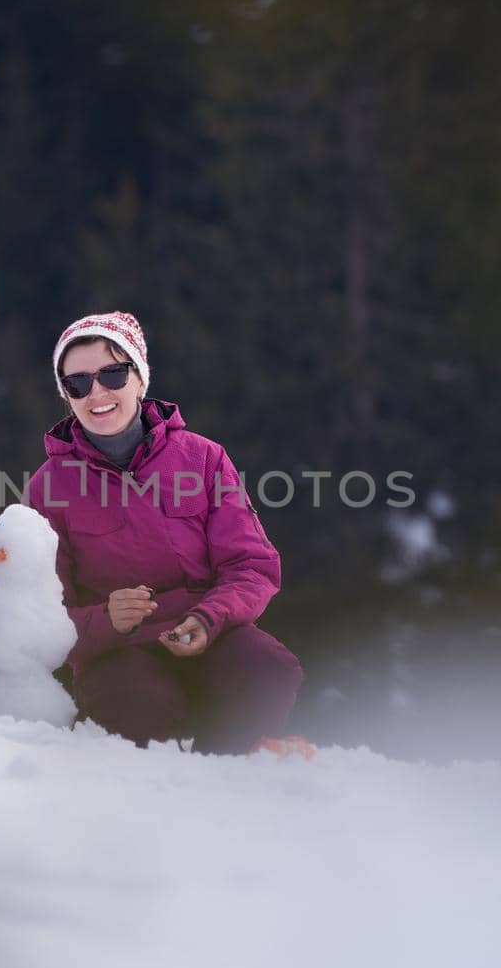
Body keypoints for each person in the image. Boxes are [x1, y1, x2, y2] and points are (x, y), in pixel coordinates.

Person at [26, 312, 303, 753]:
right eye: (77, 384)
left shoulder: (204, 458)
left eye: (112, 375)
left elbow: (251, 566)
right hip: (119, 655)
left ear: (139, 380)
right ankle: (167, 794)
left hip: (211, 634)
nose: (96, 393)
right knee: (137, 705)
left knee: (270, 668)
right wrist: (105, 620)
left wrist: (208, 619)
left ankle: (234, 771)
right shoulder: (47, 487)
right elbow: (41, 616)